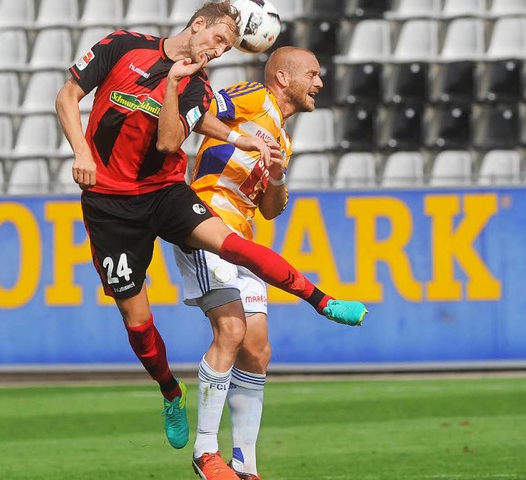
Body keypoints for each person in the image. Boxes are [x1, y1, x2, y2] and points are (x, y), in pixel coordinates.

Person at [55, 0, 366, 456]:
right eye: (218, 40)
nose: (220, 50)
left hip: (165, 192)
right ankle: (170, 393)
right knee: (137, 321)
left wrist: (176, 90)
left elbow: (168, 142)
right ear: (197, 25)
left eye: (228, 45)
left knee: (236, 259)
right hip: (109, 204)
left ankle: (321, 301)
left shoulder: (199, 88)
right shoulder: (122, 46)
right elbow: (67, 96)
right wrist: (81, 152)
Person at [174, 47, 359, 480]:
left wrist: (276, 174)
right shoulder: (255, 96)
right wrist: (240, 138)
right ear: (282, 77)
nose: (319, 83)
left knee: (257, 351)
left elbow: (272, 209)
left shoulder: (284, 138)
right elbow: (197, 114)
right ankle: (205, 453)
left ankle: (246, 467)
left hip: (243, 240)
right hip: (206, 224)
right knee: (232, 331)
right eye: (312, 74)